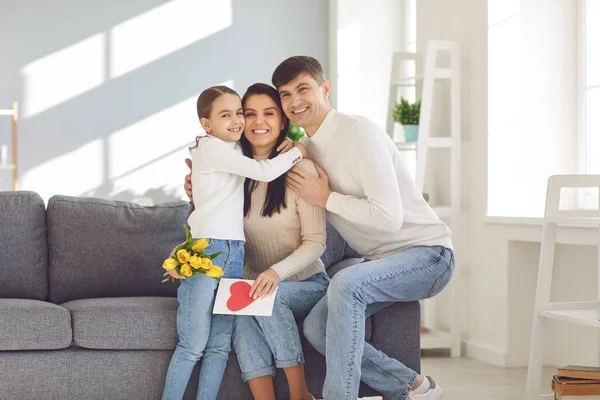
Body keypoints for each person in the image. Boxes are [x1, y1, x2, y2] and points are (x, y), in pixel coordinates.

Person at [275, 56, 455, 400]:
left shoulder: (359, 132)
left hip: (430, 255)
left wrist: (325, 197)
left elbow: (389, 218)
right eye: (285, 95)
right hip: (381, 262)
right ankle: (413, 387)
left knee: (345, 283)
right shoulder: (308, 149)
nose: (295, 101)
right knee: (316, 328)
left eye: (303, 89)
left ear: (325, 88)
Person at [184, 83, 327, 400]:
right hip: (254, 281)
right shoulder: (236, 169)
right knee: (243, 314)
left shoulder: (299, 168)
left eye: (269, 113)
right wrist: (195, 190)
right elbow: (210, 218)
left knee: (268, 298)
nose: (259, 121)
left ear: (282, 121)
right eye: (250, 114)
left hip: (306, 281)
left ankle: (301, 394)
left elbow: (316, 243)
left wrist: (276, 273)